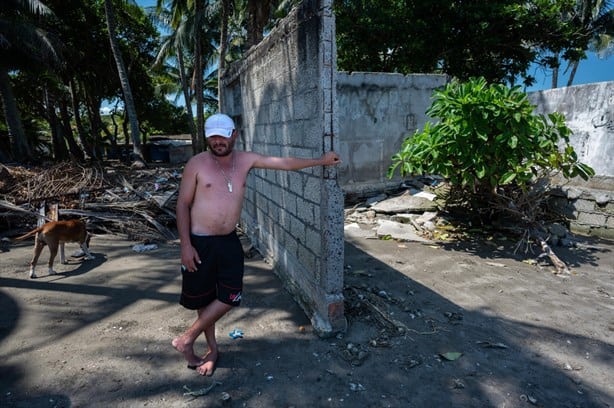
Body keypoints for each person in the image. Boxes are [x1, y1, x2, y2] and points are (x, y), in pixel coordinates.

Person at [172, 113, 341, 376]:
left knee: (230, 295)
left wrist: (319, 161)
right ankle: (212, 349)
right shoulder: (197, 163)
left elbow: (283, 163)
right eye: (212, 136)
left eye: (222, 135)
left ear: (234, 135)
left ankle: (186, 339)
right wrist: (185, 246)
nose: (217, 141)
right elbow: (182, 204)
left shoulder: (246, 160)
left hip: (228, 241)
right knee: (204, 301)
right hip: (200, 243)